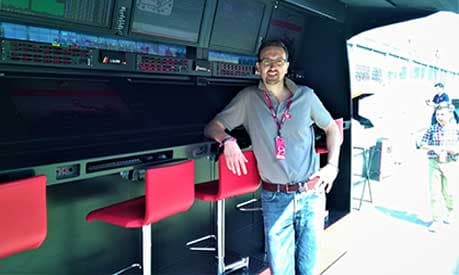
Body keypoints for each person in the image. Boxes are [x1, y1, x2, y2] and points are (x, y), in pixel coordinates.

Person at [204, 40, 342, 275]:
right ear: (258, 67)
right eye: (267, 61)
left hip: (312, 194)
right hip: (275, 198)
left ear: (287, 67)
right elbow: (212, 126)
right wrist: (227, 140)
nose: (273, 67)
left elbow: (332, 129)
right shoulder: (248, 99)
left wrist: (332, 165)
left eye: (278, 61)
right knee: (281, 270)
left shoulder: (306, 97)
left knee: (308, 268)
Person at [418, 102, 459, 232]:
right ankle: (436, 220)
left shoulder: (456, 129)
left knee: (449, 192)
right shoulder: (432, 128)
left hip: (450, 163)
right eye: (437, 114)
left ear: (449, 115)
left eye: (442, 114)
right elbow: (421, 143)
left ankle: (450, 211)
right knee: (434, 193)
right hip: (434, 163)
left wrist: (455, 150)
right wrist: (434, 148)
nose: (439, 117)